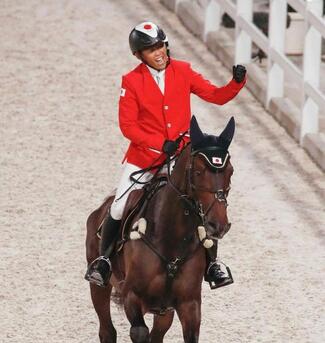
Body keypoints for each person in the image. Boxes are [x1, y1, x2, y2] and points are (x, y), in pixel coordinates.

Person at [85, 21, 246, 288]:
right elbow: (128, 126)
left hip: (180, 159)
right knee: (118, 205)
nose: (158, 52)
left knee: (201, 205)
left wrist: (237, 82)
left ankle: (213, 265)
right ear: (139, 55)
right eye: (150, 49)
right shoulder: (132, 81)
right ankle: (103, 261)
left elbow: (216, 96)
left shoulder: (183, 70)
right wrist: (160, 143)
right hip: (144, 159)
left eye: (160, 45)